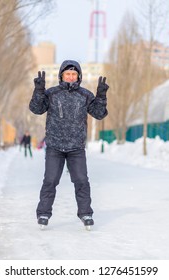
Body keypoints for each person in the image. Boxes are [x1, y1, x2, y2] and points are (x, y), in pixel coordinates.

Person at [29, 60, 109, 229]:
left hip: (76, 148)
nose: (71, 77)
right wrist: (38, 91)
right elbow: (36, 109)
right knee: (50, 181)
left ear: (78, 76)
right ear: (61, 76)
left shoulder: (85, 95)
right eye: (68, 74)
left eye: (74, 74)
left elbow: (99, 114)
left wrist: (101, 96)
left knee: (81, 181)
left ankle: (86, 213)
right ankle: (43, 213)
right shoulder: (52, 94)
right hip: (55, 146)